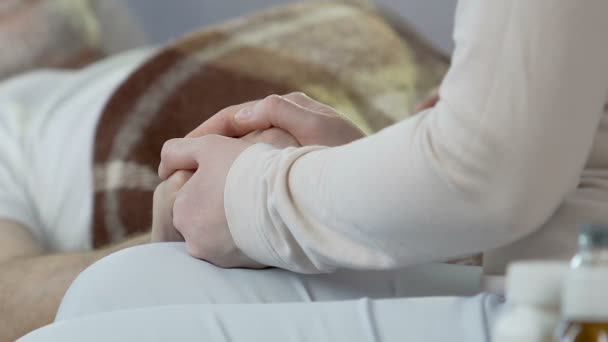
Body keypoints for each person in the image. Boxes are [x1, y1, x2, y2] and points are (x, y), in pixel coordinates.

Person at [18, 0, 608, 341]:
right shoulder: (10, 116)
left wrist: (257, 196)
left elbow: (491, 166)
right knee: (118, 288)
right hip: (530, 228)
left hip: (535, 237)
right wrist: (310, 187)